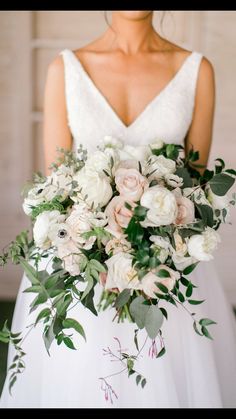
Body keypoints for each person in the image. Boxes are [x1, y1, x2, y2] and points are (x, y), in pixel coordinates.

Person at [1, 10, 236, 408]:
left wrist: (151, 243)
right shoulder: (65, 69)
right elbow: (56, 186)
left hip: (166, 269)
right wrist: (95, 242)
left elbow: (194, 191)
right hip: (80, 265)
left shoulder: (197, 70)